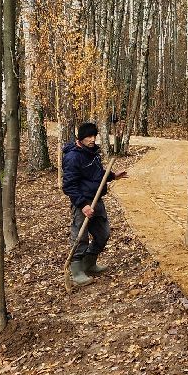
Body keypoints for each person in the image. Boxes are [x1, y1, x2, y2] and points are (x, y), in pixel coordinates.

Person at [62, 121, 127, 286]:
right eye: (88, 136)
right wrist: (83, 205)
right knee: (80, 237)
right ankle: (76, 272)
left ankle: (89, 264)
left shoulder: (91, 152)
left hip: (97, 200)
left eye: (94, 136)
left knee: (103, 234)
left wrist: (112, 175)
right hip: (82, 202)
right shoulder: (72, 157)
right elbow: (69, 185)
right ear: (80, 138)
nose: (92, 139)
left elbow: (96, 174)